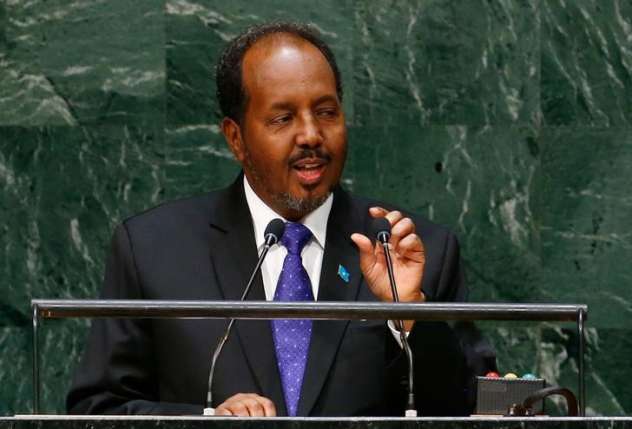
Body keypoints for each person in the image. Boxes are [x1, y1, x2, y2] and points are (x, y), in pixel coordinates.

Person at [67, 21, 495, 417]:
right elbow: (98, 409)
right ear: (236, 138)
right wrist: (207, 420)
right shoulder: (153, 249)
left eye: (326, 112)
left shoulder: (414, 251)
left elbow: (473, 411)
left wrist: (412, 318)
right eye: (283, 118)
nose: (310, 135)